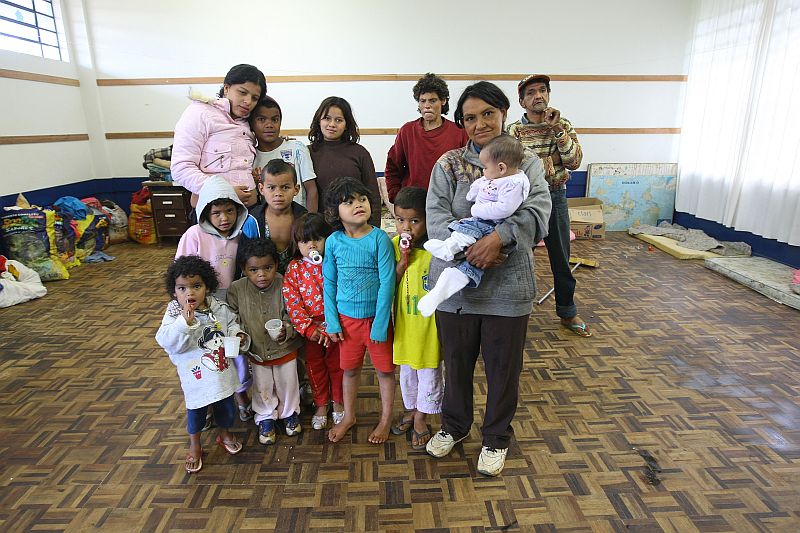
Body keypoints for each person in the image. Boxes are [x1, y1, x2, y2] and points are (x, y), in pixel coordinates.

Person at [424, 81, 551, 477]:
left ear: (503, 113)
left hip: (508, 286)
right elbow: (437, 217)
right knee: (456, 364)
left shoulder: (525, 160)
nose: (479, 124)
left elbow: (537, 211)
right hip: (457, 287)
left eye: (487, 114)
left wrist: (499, 240)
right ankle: (455, 427)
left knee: (502, 369)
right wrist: (472, 250)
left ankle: (496, 438)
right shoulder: (447, 164)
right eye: (470, 117)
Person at [507, 74, 591, 337]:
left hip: (556, 196)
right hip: (524, 200)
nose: (538, 96)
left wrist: (557, 132)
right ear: (522, 102)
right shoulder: (513, 131)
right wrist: (549, 160)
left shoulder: (562, 124)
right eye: (531, 93)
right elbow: (513, 166)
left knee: (561, 259)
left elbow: (574, 161)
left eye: (542, 90)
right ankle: (512, 312)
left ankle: (567, 312)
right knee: (516, 257)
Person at [156, 255, 248, 474]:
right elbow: (165, 340)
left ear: (207, 287)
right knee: (196, 412)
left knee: (226, 407)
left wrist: (238, 334)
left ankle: (224, 432)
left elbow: (231, 323)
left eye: (196, 286)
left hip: (221, 371)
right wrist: (184, 324)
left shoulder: (217, 307)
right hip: (195, 376)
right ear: (174, 291)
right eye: (182, 288)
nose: (189, 293)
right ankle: (195, 444)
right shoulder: (174, 313)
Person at [419, 135, 530, 316]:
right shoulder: (454, 163)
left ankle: (449, 251)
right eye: (470, 118)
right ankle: (447, 259)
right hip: (481, 225)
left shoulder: (515, 183)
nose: (483, 171)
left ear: (501, 168)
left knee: (468, 230)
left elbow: (505, 209)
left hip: (492, 226)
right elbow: (481, 184)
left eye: (485, 168)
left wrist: (478, 209)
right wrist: (475, 191)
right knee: (464, 231)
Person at [322, 177, 396, 444]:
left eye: (362, 199)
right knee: (349, 370)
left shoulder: (380, 239)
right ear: (334, 212)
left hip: (376, 322)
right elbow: (328, 283)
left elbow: (388, 283)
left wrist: (379, 322)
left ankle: (386, 418)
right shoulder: (333, 242)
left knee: (385, 371)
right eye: (349, 202)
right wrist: (332, 321)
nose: (358, 205)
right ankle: (349, 416)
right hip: (346, 322)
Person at [176, 176, 253, 422]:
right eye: (216, 212)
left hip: (231, 303)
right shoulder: (194, 235)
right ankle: (207, 405)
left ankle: (241, 396)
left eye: (230, 211)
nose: (224, 218)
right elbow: (181, 273)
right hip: (202, 304)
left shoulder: (242, 233)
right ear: (205, 212)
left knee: (236, 353)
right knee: (207, 354)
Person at [227, 238, 304, 445]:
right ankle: (265, 416)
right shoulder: (237, 289)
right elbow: (231, 317)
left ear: (276, 265)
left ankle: (289, 413)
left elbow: (295, 312)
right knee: (262, 386)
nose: (261, 274)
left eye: (268, 268)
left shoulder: (285, 283)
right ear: (244, 269)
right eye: (254, 270)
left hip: (285, 348)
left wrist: (287, 329)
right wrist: (239, 335)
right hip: (256, 350)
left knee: (288, 383)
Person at [172, 64, 266, 209]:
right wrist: (223, 192)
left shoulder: (249, 122)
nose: (248, 101)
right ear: (226, 88)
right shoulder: (200, 113)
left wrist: (284, 141)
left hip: (251, 212)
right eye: (242, 92)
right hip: (214, 214)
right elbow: (181, 168)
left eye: (254, 98)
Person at [389, 187, 441, 450]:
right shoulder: (395, 246)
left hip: (429, 328)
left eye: (414, 221)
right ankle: (410, 409)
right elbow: (390, 282)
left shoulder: (436, 249)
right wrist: (402, 262)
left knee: (429, 373)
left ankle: (421, 418)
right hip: (405, 326)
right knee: (408, 372)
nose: (406, 227)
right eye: (400, 220)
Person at [282, 213, 344, 430]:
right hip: (310, 331)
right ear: (297, 244)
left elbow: (342, 295)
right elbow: (292, 302)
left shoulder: (335, 262)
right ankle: (321, 404)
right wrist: (309, 329)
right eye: (305, 241)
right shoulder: (294, 269)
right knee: (315, 368)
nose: (312, 245)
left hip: (336, 327)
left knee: (338, 367)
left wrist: (332, 327)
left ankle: (338, 402)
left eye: (317, 238)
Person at [384, 73, 468, 202]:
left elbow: (466, 171)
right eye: (423, 101)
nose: (427, 106)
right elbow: (393, 167)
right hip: (413, 203)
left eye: (432, 100)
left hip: (447, 203)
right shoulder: (407, 131)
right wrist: (395, 196)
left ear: (443, 101)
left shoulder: (459, 131)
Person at [308, 97, 381, 227]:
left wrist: (373, 230)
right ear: (318, 121)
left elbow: (373, 194)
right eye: (327, 118)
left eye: (339, 120)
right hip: (320, 229)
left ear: (347, 124)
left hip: (356, 228)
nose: (332, 124)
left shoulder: (360, 152)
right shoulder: (307, 152)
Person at [250, 96, 319, 211]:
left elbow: (312, 190)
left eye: (275, 119)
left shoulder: (297, 148)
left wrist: (310, 222)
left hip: (300, 221)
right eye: (262, 119)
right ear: (252, 124)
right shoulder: (250, 157)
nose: (269, 125)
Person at [242, 159, 307, 274]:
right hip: (263, 281)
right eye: (271, 188)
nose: (278, 193)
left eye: (285, 187)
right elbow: (245, 258)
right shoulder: (253, 221)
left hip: (299, 281)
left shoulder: (304, 219)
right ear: (261, 189)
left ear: (296, 189)